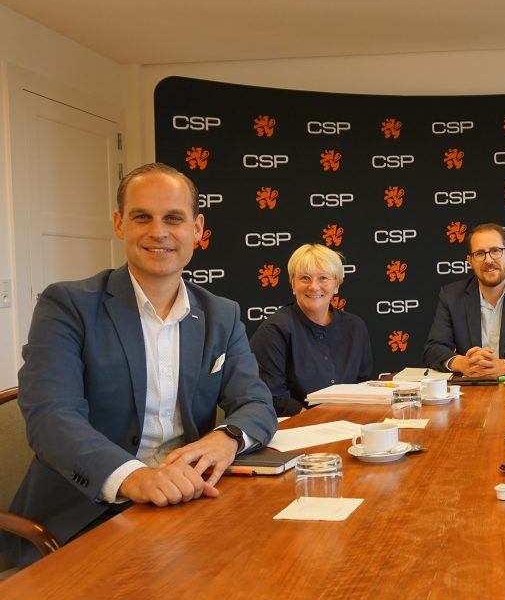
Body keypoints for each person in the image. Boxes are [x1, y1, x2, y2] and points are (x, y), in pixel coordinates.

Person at [0, 163, 277, 569]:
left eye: (174, 219)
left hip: (188, 505)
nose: (158, 232)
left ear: (197, 229)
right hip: (83, 518)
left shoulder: (221, 313)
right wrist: (135, 477)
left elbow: (256, 403)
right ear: (120, 223)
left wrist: (228, 437)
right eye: (142, 217)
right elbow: (51, 417)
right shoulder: (66, 305)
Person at [250, 244, 373, 415]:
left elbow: (363, 385)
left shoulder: (355, 327)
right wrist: (318, 421)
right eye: (305, 278)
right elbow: (274, 397)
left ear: (336, 285)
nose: (314, 286)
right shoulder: (273, 331)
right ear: (293, 284)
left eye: (323, 278)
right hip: (297, 428)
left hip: (349, 422)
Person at [424, 222, 505, 377]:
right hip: (468, 390)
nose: (488, 260)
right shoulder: (451, 295)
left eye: (495, 251)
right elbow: (433, 349)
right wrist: (462, 363)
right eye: (480, 253)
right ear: (470, 261)